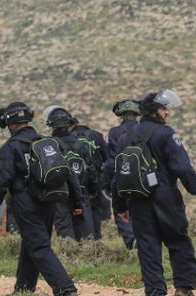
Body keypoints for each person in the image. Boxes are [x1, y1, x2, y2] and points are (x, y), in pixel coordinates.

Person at [115, 90, 196, 296]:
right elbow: (183, 168)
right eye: (164, 109)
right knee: (178, 241)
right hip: (165, 196)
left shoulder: (125, 137)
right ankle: (184, 288)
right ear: (154, 111)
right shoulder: (166, 135)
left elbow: (119, 174)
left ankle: (154, 293)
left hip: (137, 199)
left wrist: (120, 207)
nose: (167, 113)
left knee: (147, 246)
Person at [0, 102, 80, 296]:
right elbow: (69, 175)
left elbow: (1, 180)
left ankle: (66, 289)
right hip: (49, 200)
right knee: (31, 245)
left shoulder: (11, 147)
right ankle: (24, 290)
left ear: (10, 124)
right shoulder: (47, 142)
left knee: (39, 247)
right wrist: (77, 201)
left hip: (25, 203)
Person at [46, 106, 97, 242]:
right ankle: (87, 249)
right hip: (81, 190)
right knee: (84, 222)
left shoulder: (50, 146)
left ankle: (69, 251)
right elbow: (90, 169)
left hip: (59, 191)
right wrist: (93, 189)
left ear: (52, 127)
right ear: (69, 125)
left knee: (63, 224)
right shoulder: (81, 144)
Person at [103, 98, 141, 251]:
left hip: (123, 177)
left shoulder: (115, 132)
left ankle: (132, 242)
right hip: (144, 179)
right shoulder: (146, 130)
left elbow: (111, 162)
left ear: (121, 114)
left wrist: (107, 184)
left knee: (122, 212)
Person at [69, 111, 111, 241]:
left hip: (76, 180)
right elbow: (107, 156)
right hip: (96, 178)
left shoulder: (70, 137)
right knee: (95, 209)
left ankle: (82, 239)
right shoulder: (96, 136)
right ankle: (96, 237)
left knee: (78, 209)